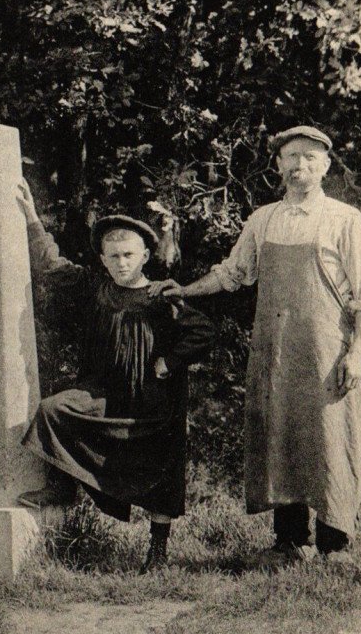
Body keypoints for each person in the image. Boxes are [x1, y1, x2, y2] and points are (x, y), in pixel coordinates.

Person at [155, 125, 361, 564]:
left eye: (309, 157)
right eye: (291, 157)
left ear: (325, 166)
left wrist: (355, 353)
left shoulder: (344, 219)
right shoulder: (263, 219)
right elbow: (233, 274)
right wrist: (184, 291)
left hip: (326, 353)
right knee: (281, 437)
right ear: (278, 165)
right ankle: (288, 543)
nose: (300, 165)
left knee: (330, 438)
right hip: (276, 352)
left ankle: (334, 543)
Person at [16, 180, 214, 571]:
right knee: (53, 410)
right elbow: (51, 264)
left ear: (144, 256)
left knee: (162, 468)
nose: (121, 263)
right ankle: (62, 486)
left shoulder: (162, 296)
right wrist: (32, 218)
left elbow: (203, 331)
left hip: (151, 401)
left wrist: (169, 363)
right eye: (113, 256)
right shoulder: (95, 288)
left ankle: (157, 551)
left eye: (128, 255)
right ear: (103, 260)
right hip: (102, 392)